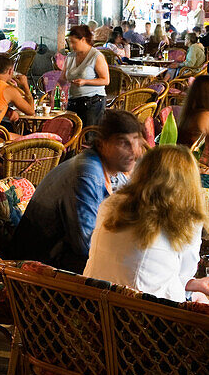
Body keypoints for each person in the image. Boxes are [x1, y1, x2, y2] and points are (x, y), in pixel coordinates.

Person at [83, 145, 209, 303]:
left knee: (196, 294)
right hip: (145, 316)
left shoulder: (111, 204)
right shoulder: (187, 218)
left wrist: (194, 284)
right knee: (203, 303)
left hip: (94, 305)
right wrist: (191, 283)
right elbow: (185, 273)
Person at [8, 110, 145, 273]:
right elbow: (85, 246)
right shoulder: (87, 174)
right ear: (102, 144)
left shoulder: (114, 171)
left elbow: (134, 211)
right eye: (123, 143)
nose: (134, 151)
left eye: (136, 142)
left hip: (65, 255)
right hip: (39, 266)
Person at [61, 24, 109, 127]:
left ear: (83, 40)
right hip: (73, 101)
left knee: (89, 136)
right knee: (72, 133)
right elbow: (63, 78)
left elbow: (105, 80)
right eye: (70, 42)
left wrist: (85, 81)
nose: (72, 46)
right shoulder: (70, 56)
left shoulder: (96, 56)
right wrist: (54, 92)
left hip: (93, 101)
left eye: (74, 42)